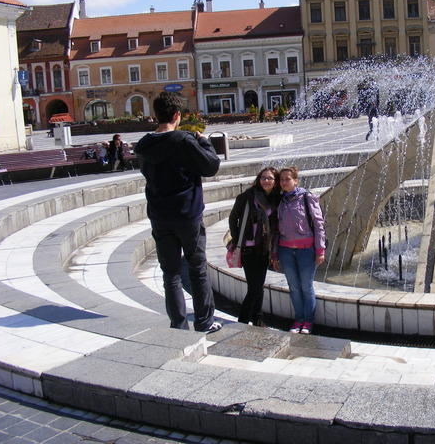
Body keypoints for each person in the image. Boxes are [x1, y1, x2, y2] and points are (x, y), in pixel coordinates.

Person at [134, 92, 222, 333]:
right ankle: (203, 322)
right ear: (176, 115)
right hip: (187, 214)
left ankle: (178, 325)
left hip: (160, 215)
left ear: (156, 115)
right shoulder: (183, 140)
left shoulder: (143, 145)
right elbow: (211, 166)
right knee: (197, 267)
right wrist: (204, 142)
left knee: (170, 273)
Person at [273, 166, 326, 334]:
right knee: (293, 286)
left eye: (288, 179)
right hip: (286, 250)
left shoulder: (307, 197)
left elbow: (318, 225)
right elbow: (275, 229)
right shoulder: (279, 200)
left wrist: (320, 250)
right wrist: (274, 253)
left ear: (296, 180)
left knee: (306, 286)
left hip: (306, 250)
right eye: (282, 180)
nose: (284, 182)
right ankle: (299, 319)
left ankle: (308, 322)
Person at [228, 167, 281, 326]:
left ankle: (257, 318)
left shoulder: (276, 199)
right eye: (263, 178)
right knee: (255, 286)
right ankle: (244, 319)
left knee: (258, 285)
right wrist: (239, 240)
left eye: (270, 178)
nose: (266, 181)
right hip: (248, 248)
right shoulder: (247, 196)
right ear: (259, 179)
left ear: (275, 181)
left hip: (264, 249)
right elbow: (233, 219)